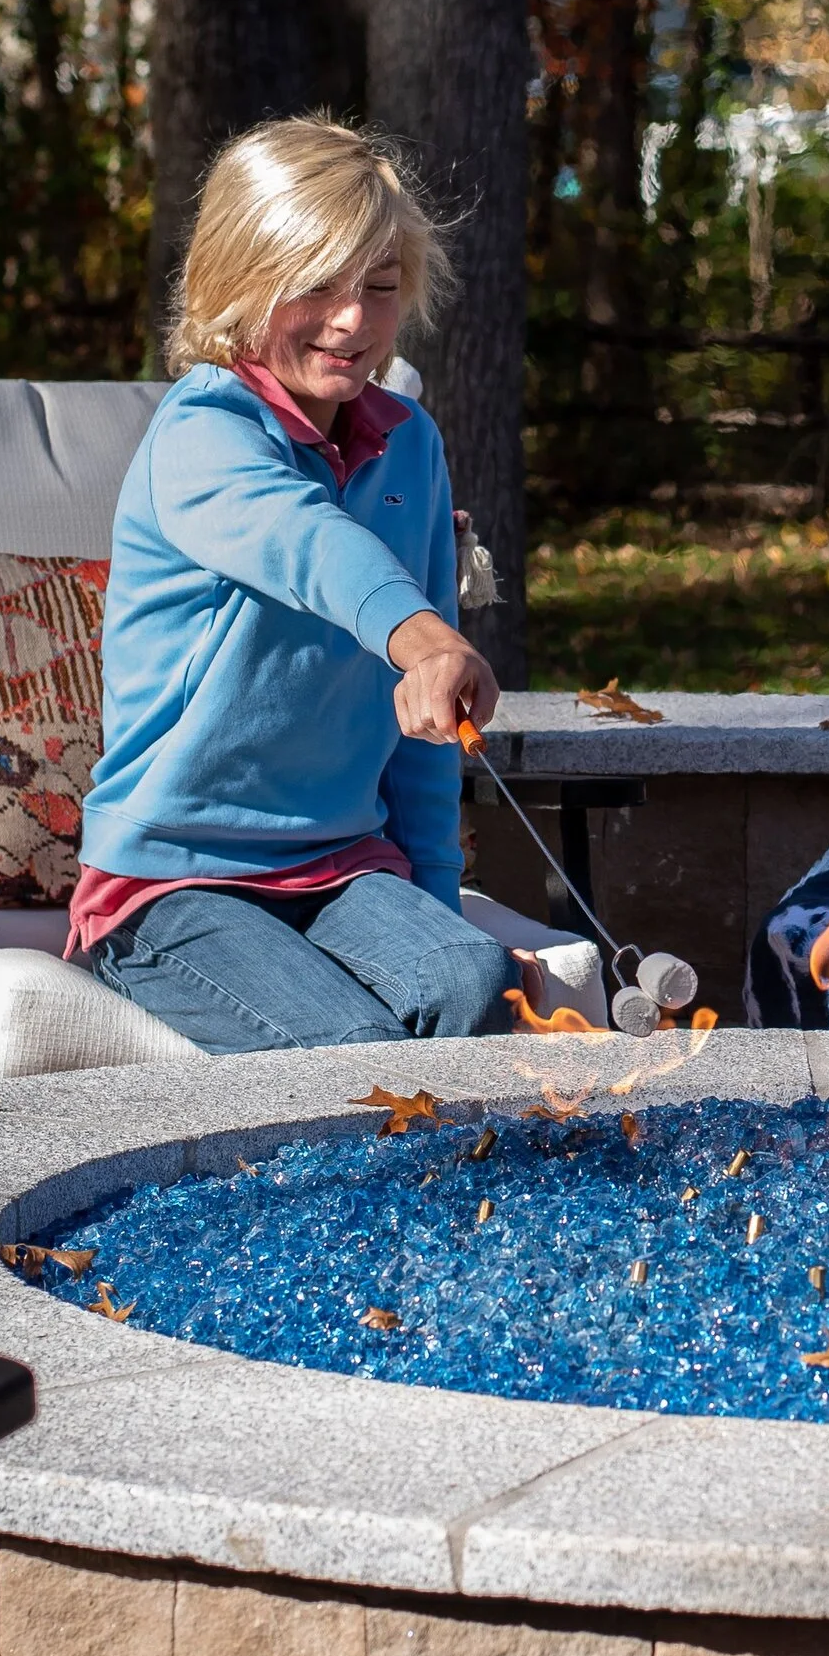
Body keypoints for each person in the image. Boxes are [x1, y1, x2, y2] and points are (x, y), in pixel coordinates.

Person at [70, 117, 522, 1051]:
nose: (353, 320)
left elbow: (423, 738)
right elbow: (309, 543)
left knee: (471, 975)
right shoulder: (203, 433)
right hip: (173, 882)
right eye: (315, 285)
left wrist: (431, 907)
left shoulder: (412, 445)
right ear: (240, 281)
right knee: (349, 1049)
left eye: (381, 288)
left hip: (343, 864)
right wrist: (430, 637)